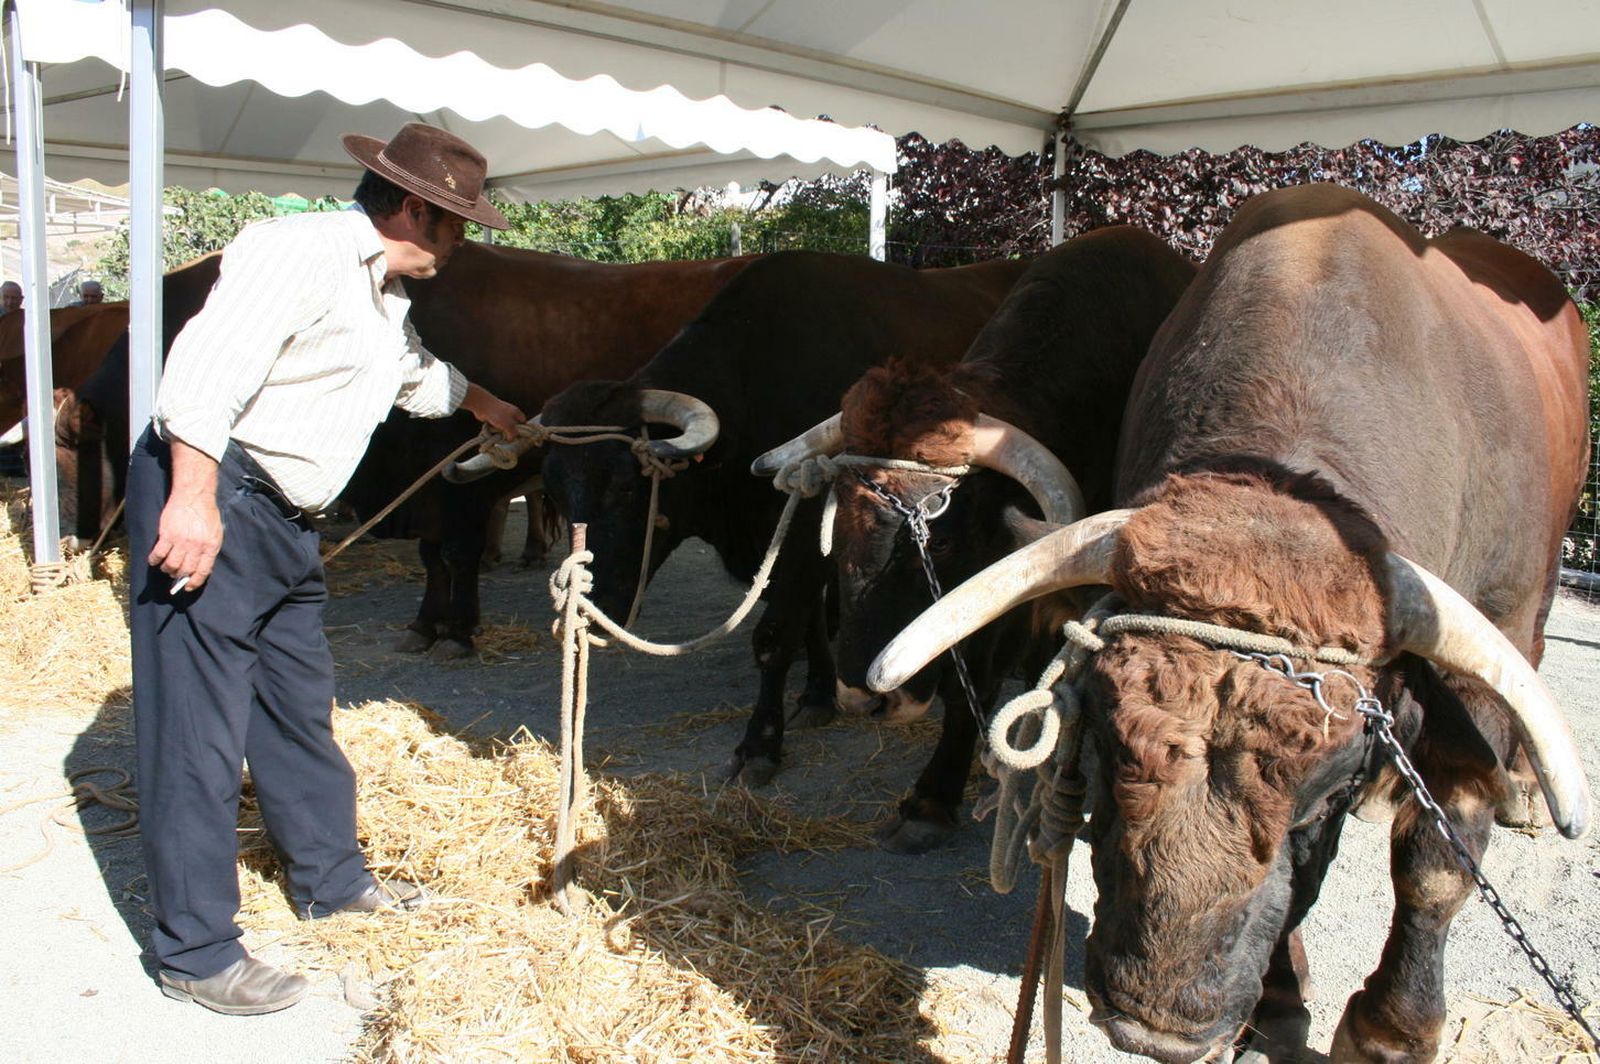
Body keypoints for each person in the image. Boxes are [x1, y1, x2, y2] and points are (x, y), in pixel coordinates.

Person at [126, 123, 526, 1016]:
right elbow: (201, 375)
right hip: (218, 494)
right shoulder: (295, 251)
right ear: (415, 209)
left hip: (281, 522)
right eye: (458, 223)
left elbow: (412, 376)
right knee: (197, 730)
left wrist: (491, 406)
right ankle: (194, 950)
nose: (461, 244)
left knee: (297, 705)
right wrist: (190, 500)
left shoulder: (382, 294)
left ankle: (332, 883)